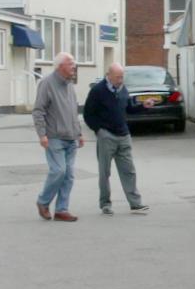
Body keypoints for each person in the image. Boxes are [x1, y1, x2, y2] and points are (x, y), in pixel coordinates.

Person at [83, 62, 150, 216]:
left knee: (129, 171)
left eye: (122, 77)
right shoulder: (97, 91)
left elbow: (128, 108)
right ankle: (105, 204)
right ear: (109, 75)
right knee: (104, 172)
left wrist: (142, 105)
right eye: (118, 77)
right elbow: (88, 114)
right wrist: (99, 130)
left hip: (123, 135)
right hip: (106, 136)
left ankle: (136, 204)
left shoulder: (122, 89)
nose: (121, 80)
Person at [33, 52, 84, 222]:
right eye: (70, 63)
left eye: (73, 63)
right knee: (58, 171)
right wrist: (42, 134)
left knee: (68, 175)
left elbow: (73, 112)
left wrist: (79, 133)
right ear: (60, 66)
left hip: (71, 137)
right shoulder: (47, 84)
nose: (73, 66)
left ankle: (62, 209)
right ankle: (43, 201)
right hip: (54, 136)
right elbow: (38, 111)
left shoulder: (69, 85)